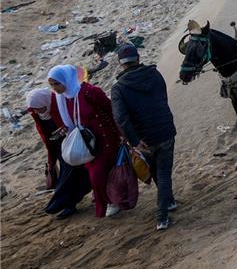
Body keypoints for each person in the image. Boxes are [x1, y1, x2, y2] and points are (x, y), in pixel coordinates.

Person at [109, 44, 178, 231]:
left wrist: (134, 140)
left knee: (158, 172)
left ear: (121, 64)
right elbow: (163, 98)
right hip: (165, 131)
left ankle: (162, 215)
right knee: (162, 173)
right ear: (137, 58)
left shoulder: (118, 89)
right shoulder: (155, 75)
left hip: (143, 138)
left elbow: (121, 118)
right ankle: (167, 204)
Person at [46, 65, 120, 218]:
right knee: (96, 174)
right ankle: (108, 200)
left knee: (101, 173)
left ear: (66, 79)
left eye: (57, 83)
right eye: (51, 84)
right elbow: (70, 122)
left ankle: (112, 201)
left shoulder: (90, 92)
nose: (54, 88)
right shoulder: (62, 98)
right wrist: (65, 129)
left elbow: (111, 110)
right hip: (86, 143)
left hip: (104, 138)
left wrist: (121, 133)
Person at [26, 87, 90, 218]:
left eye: (39, 108)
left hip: (74, 142)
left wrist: (65, 130)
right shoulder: (37, 113)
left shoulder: (59, 104)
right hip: (59, 148)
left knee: (72, 175)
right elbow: (45, 135)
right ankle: (67, 204)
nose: (37, 111)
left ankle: (63, 204)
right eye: (35, 109)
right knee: (68, 176)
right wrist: (51, 160)